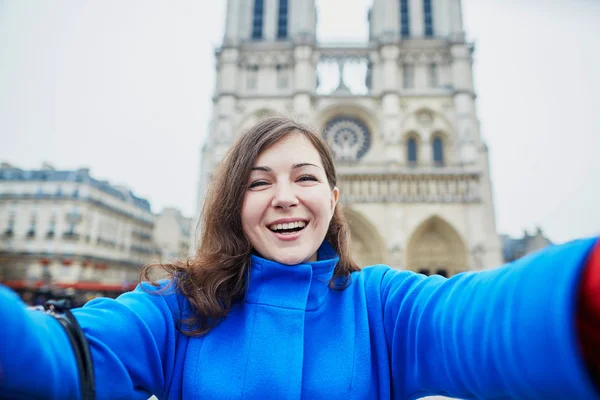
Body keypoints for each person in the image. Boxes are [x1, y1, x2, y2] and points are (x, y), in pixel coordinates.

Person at [1, 116, 599, 400]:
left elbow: (478, 319)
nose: (284, 196)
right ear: (235, 205)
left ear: (334, 198)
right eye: (258, 183)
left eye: (305, 177)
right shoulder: (177, 310)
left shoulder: (382, 306)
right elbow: (67, 355)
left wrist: (583, 296)